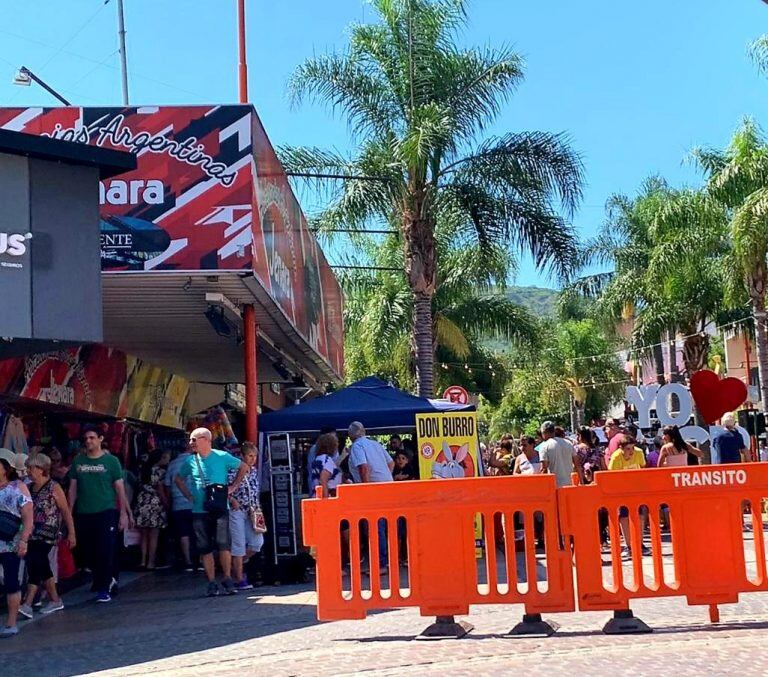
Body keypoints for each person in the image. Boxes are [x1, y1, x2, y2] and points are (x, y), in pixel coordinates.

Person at [175, 427, 249, 597]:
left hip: (220, 507)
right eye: (190, 440)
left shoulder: (221, 456)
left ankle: (227, 578)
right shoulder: (190, 461)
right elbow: (178, 479)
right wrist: (189, 496)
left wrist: (233, 487)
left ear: (206, 440)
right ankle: (211, 582)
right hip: (199, 509)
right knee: (204, 547)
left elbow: (244, 467)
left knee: (224, 544)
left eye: (195, 439)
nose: (191, 443)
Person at [67, 425, 133, 603]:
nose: (89, 441)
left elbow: (120, 488)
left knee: (105, 549)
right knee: (88, 551)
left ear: (100, 439)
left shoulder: (111, 461)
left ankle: (105, 586)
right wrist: (69, 511)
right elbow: (72, 488)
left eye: (92, 438)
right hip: (83, 512)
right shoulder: (78, 461)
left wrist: (124, 514)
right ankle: (101, 579)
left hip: (106, 511)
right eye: (86, 438)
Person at [19, 454, 76, 619]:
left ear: (41, 469)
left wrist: (71, 533)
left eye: (32, 468)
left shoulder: (54, 487)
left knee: (38, 558)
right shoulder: (29, 488)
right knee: (38, 563)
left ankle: (28, 603)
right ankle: (54, 600)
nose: (29, 471)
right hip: (32, 532)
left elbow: (65, 511)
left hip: (48, 532)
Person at [348, 422, 393, 572]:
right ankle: (388, 560)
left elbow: (363, 467)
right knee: (388, 526)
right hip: (388, 487)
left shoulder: (357, 447)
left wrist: (366, 488)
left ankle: (381, 563)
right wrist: (385, 477)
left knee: (375, 527)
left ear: (351, 435)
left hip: (373, 490)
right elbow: (391, 463)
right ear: (364, 431)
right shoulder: (376, 444)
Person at [0, 455, 33, 637]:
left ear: (6, 469)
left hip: (10, 543)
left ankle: (11, 622)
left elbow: (28, 515)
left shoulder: (17, 488)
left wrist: (24, 539)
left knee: (12, 581)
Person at [228, 442, 263, 591]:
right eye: (250, 456)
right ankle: (239, 576)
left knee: (257, 542)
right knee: (238, 544)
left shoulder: (254, 471)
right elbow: (225, 487)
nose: (253, 459)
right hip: (237, 510)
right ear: (242, 456)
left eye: (255, 456)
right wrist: (231, 499)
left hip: (252, 511)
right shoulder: (232, 469)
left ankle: (234, 564)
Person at [608, 435, 650, 559]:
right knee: (624, 517)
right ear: (621, 449)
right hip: (622, 491)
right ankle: (628, 546)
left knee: (640, 516)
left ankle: (640, 543)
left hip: (637, 490)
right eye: (627, 449)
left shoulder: (639, 453)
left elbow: (642, 467)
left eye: (632, 448)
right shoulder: (616, 457)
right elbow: (612, 476)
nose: (631, 451)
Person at [133, 450, 170, 570]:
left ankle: (142, 561)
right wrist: (166, 504)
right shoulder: (160, 472)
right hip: (155, 504)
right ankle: (151, 562)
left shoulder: (143, 471)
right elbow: (160, 490)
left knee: (143, 535)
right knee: (154, 535)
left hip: (142, 502)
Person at [164, 446, 195, 572]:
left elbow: (167, 485)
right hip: (195, 503)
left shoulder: (172, 464)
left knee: (184, 533)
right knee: (198, 532)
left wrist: (169, 502)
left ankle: (187, 561)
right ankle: (199, 561)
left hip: (177, 503)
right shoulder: (196, 461)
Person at [538, 421, 577, 488]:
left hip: (555, 486)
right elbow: (577, 464)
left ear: (544, 432)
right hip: (570, 485)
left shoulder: (544, 446)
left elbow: (544, 469)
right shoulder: (568, 443)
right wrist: (581, 482)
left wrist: (542, 486)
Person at [306, 426, 336, 495]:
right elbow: (323, 480)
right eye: (332, 437)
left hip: (320, 489)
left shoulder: (321, 455)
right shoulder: (324, 458)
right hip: (325, 491)